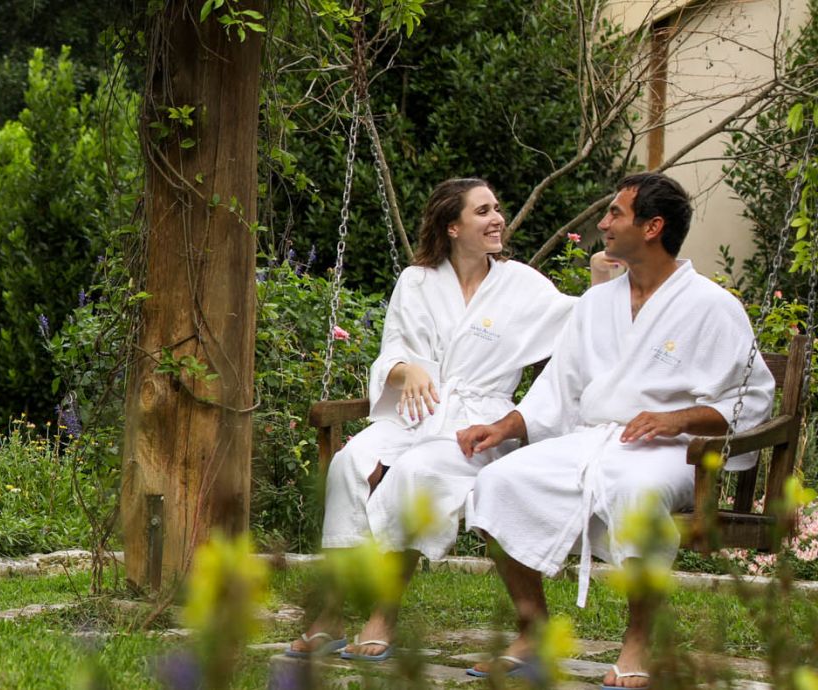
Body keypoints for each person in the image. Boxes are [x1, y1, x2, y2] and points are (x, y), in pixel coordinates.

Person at [456, 172, 774, 688]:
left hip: (674, 449)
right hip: (598, 437)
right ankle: (533, 629)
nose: (603, 223)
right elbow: (559, 388)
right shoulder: (597, 303)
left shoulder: (713, 306)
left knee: (634, 490)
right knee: (498, 482)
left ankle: (638, 640)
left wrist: (676, 418)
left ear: (652, 227)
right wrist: (505, 425)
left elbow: (751, 399)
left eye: (615, 214)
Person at [288, 178, 614, 660]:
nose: (497, 218)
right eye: (483, 211)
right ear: (453, 226)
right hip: (417, 416)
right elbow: (391, 355)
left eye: (497, 208)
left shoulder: (520, 284)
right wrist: (408, 370)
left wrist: (602, 281)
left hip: (479, 425)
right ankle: (331, 612)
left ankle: (383, 616)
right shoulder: (416, 282)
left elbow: (585, 322)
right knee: (349, 464)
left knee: (417, 474)